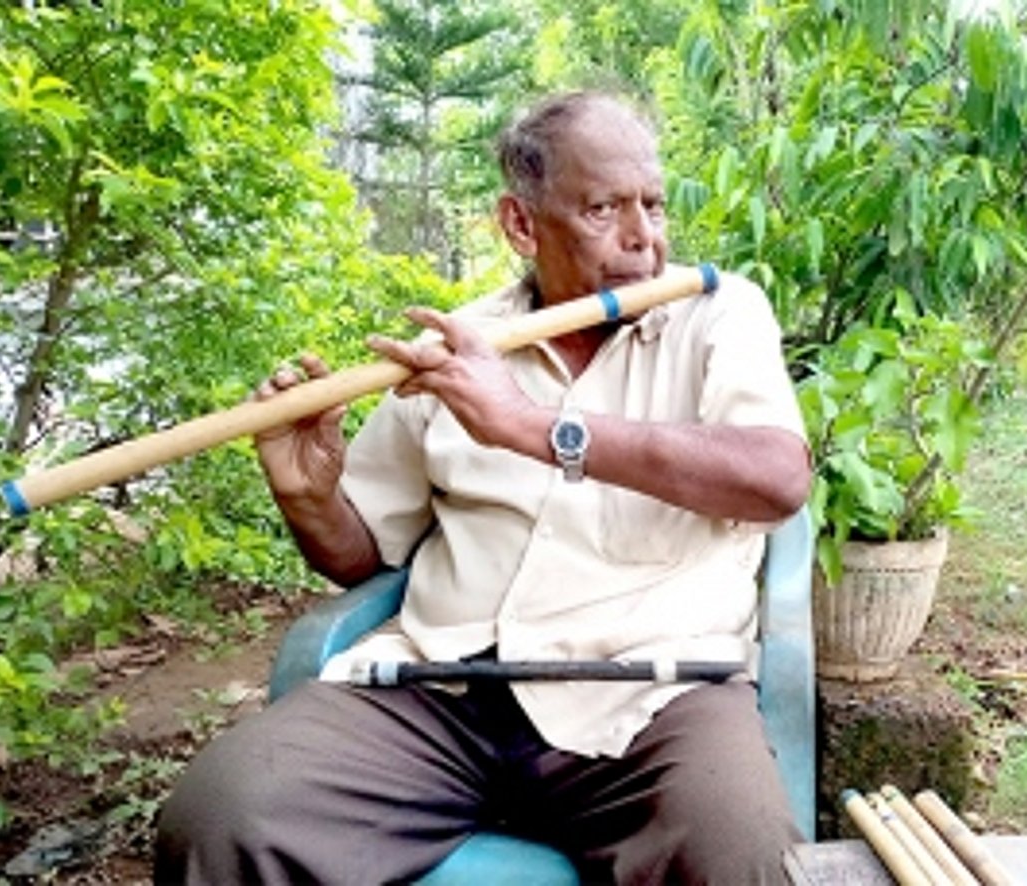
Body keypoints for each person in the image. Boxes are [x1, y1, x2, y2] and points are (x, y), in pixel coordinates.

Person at [155, 90, 812, 885]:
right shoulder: (458, 349)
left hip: (652, 701)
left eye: (654, 203)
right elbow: (361, 561)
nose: (644, 237)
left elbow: (775, 479)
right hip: (442, 690)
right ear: (521, 224)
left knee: (744, 856)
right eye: (605, 208)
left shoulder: (718, 314)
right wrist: (309, 494)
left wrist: (534, 428)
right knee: (223, 816)